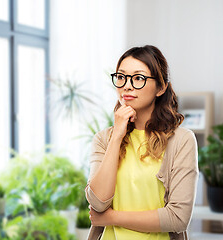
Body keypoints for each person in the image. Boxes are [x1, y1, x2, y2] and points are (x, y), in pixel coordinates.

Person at [85, 45, 198, 240]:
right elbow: (98, 203)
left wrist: (111, 218)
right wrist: (117, 136)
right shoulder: (104, 139)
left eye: (138, 78)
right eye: (121, 77)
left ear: (161, 88)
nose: (127, 85)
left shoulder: (181, 141)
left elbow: (178, 218)